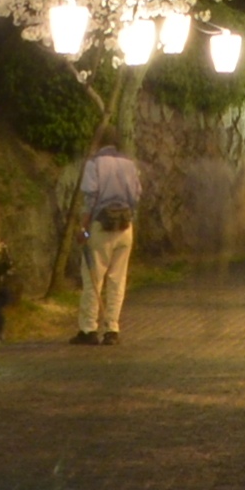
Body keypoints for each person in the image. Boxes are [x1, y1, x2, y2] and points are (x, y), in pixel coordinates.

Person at [75, 135, 146, 343]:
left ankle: (88, 329)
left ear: (98, 143)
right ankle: (112, 329)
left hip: (100, 225)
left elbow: (90, 199)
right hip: (125, 227)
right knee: (118, 278)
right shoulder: (130, 165)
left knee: (93, 277)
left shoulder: (94, 164)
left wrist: (84, 230)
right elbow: (137, 195)